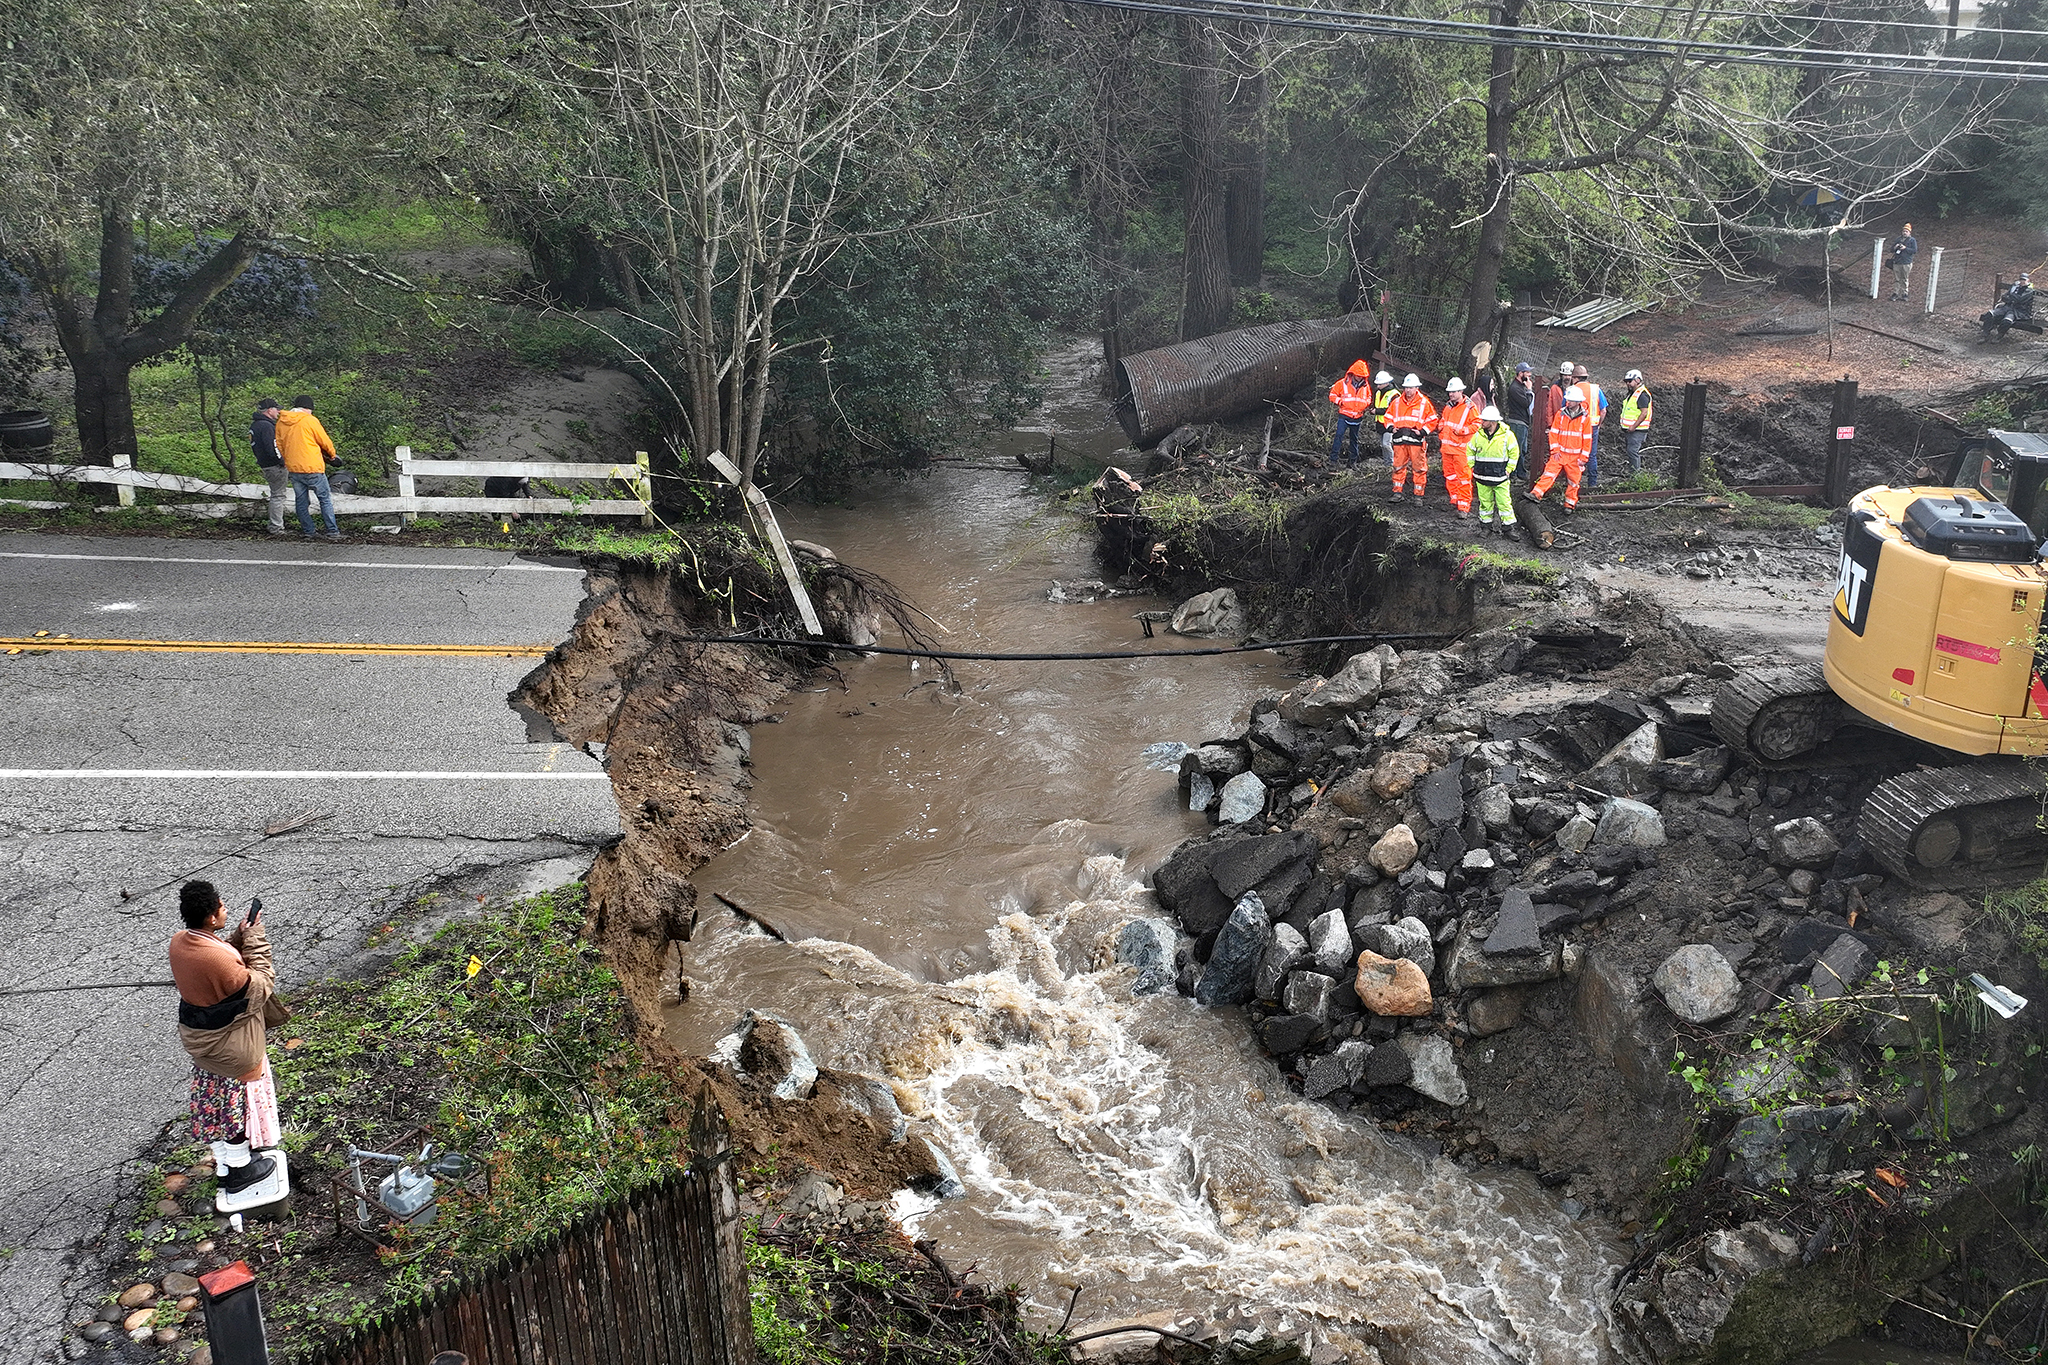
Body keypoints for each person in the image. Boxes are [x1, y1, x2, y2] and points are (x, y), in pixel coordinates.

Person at [170, 880, 284, 1194]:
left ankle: (224, 1167)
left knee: (216, 1108)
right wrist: (256, 938)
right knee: (237, 1110)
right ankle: (241, 1169)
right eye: (222, 906)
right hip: (231, 1048)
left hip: (201, 1041)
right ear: (210, 917)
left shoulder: (180, 941)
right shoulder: (218, 960)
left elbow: (219, 958)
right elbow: (260, 984)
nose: (226, 909)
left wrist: (238, 935)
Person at [275, 395, 342, 542]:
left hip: (294, 468)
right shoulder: (309, 420)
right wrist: (332, 455)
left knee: (301, 501)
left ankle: (309, 531)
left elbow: (279, 445)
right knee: (324, 499)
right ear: (307, 408)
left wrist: (288, 460)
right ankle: (332, 531)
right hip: (312, 467)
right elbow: (324, 441)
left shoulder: (281, 422)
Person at [1530, 384, 1594, 510]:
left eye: (1570, 400)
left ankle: (1569, 504)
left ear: (1578, 401)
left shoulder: (1585, 419)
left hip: (1575, 457)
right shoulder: (1561, 414)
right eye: (1568, 399)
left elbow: (1587, 439)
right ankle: (1535, 494)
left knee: (1574, 481)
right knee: (1548, 473)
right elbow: (1553, 433)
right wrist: (1555, 450)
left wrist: (1583, 458)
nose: (1568, 402)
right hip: (1560, 453)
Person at [1384, 373, 1438, 501]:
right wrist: (1391, 428)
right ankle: (1397, 492)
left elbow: (1432, 419)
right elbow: (1388, 417)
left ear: (1416, 388)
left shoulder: (1424, 403)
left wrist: (1423, 431)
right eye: (1406, 387)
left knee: (1419, 468)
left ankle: (1418, 495)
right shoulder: (1396, 402)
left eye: (1411, 387)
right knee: (1398, 467)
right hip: (1399, 441)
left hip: (1416, 442)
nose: (1408, 390)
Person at [1469, 406, 1521, 537]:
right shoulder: (1478, 435)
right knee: (1485, 504)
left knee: (1504, 503)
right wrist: (1472, 466)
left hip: (1500, 477)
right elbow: (1470, 450)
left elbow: (1514, 453)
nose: (1482, 422)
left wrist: (1509, 469)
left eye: (1484, 420)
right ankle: (1486, 528)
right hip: (1482, 477)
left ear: (1492, 421)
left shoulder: (1507, 436)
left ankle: (1508, 529)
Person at [1437, 377, 1482, 517]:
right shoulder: (1449, 406)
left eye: (1453, 392)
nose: (1451, 394)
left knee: (1463, 478)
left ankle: (1463, 506)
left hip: (1461, 449)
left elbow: (1477, 424)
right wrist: (1440, 426)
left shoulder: (1470, 407)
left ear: (1461, 391)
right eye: (1449, 392)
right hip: (1447, 448)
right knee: (1450, 476)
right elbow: (1444, 420)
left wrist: (1463, 431)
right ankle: (1455, 499)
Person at [249, 400, 287, 536]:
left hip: (265, 465)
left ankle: (276, 525)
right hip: (274, 466)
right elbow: (272, 447)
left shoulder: (256, 425)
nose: (278, 412)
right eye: (276, 409)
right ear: (269, 410)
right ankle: (276, 527)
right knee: (278, 496)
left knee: (276, 495)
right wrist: (281, 461)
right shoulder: (267, 426)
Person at [1327, 360, 1373, 465]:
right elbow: (1332, 395)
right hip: (1344, 415)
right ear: (1352, 374)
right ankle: (1333, 460)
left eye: (1361, 376)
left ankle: (1353, 462)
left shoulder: (1366, 386)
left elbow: (1369, 397)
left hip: (1357, 417)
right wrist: (1340, 401)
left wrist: (1365, 404)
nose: (1359, 377)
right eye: (1358, 375)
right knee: (1338, 436)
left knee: (1354, 440)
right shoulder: (1342, 384)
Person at [1575, 364, 1608, 488]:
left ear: (1575, 378)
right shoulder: (1596, 389)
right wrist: (1599, 424)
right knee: (1591, 455)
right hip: (1593, 427)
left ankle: (1574, 482)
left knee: (1575, 454)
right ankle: (1592, 483)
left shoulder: (1572, 390)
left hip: (1576, 427)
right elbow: (1603, 410)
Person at [1982, 273, 2037, 338]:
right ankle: (1985, 334)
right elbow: (2004, 297)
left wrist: (2011, 296)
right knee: (1989, 314)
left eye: (2024, 280)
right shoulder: (2015, 287)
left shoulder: (2029, 290)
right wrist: (2011, 297)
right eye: (2021, 279)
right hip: (2007, 307)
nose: (2022, 281)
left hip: (2018, 311)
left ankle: (1999, 335)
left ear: (2028, 280)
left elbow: (2019, 300)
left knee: (2007, 321)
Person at [1618, 369, 1652, 474]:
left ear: (1637, 380)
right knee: (1631, 452)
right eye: (1626, 381)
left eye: (1629, 381)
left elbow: (1644, 413)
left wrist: (1633, 426)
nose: (1628, 383)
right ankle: (1633, 473)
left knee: (1633, 451)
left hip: (1637, 430)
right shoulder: (1633, 394)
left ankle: (1635, 476)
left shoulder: (1641, 395)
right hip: (1631, 430)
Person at [1503, 362, 1538, 457]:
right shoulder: (1515, 388)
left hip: (1522, 422)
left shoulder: (1522, 386)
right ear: (1520, 373)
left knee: (1523, 449)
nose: (1530, 374)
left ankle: (1520, 471)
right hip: (1517, 423)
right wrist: (1529, 390)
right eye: (1527, 372)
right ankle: (1517, 471)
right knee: (1517, 450)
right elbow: (1526, 403)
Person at [1372, 370, 1397, 465]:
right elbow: (1377, 405)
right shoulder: (1378, 392)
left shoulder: (1394, 394)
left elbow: (1393, 410)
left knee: (1386, 444)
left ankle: (1391, 462)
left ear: (1386, 383)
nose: (1378, 386)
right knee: (1383, 445)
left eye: (1380, 384)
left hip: (1390, 423)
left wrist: (1377, 411)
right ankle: (1386, 462)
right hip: (1379, 422)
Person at [1889, 224, 1918, 302]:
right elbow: (1891, 249)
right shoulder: (1898, 239)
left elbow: (1914, 250)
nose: (1905, 233)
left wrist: (1905, 248)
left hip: (1907, 262)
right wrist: (1895, 247)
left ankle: (1905, 293)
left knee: (1905, 279)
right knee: (1897, 279)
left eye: (1906, 231)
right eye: (1904, 231)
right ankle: (1895, 293)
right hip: (1897, 262)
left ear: (1909, 232)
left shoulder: (1912, 240)